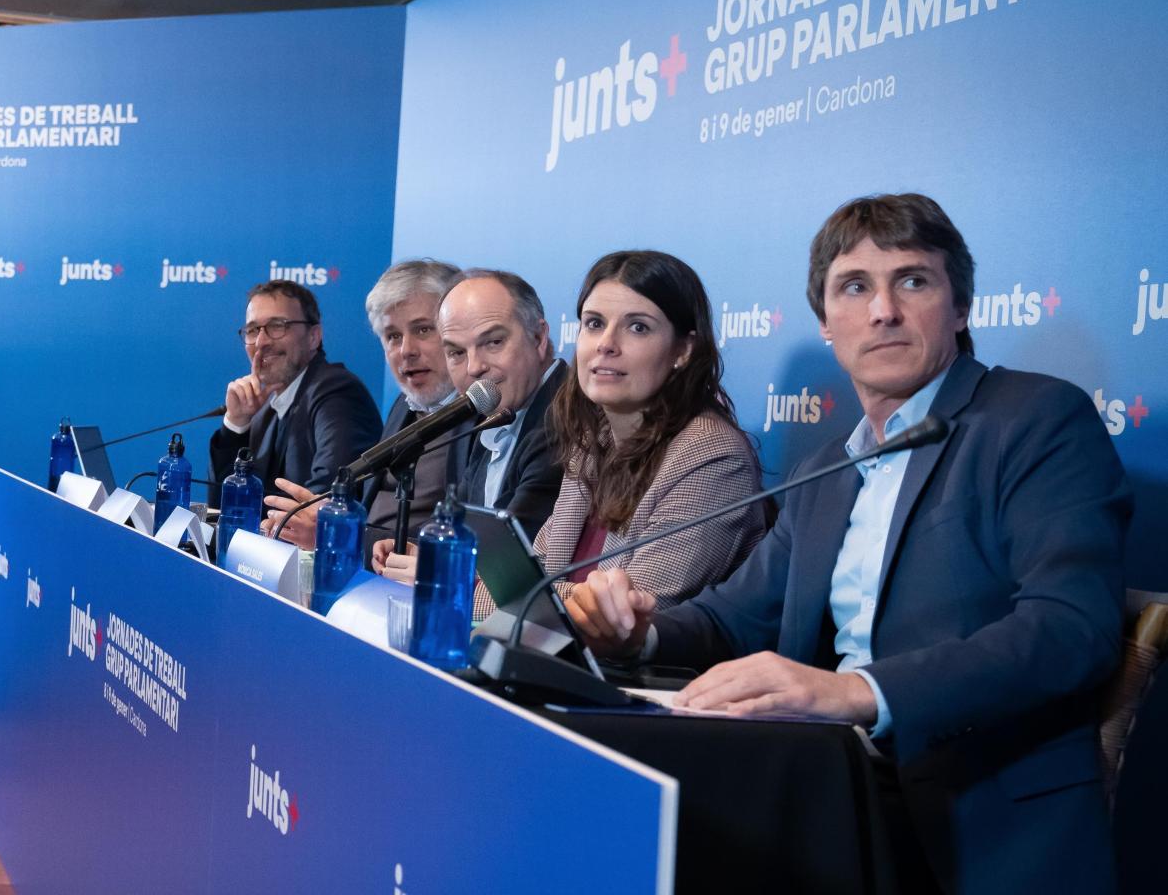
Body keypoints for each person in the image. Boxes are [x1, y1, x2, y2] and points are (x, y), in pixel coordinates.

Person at [569, 194, 1130, 893]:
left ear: (961, 310)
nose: (883, 310)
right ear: (827, 325)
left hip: (975, 818)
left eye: (914, 281)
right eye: (855, 287)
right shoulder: (824, 469)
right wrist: (637, 634)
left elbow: (1071, 627)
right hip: (826, 795)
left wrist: (858, 692)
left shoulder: (1035, 420)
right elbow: (733, 616)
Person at [521, 250, 765, 619]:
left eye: (638, 327)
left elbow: (624, 614)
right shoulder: (593, 444)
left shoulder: (713, 458)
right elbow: (529, 577)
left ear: (684, 350)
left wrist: (494, 595)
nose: (606, 343)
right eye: (594, 323)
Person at [373, 269, 566, 583]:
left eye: (493, 342)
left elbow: (511, 568)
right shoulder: (494, 408)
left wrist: (439, 571)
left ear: (538, 337)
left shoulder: (564, 418)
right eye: (457, 353)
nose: (475, 367)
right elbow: (462, 532)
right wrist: (422, 554)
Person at [265, 259, 462, 550]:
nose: (406, 350)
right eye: (393, 336)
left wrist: (338, 536)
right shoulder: (404, 406)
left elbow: (454, 549)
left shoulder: (481, 419)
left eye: (422, 330)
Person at [209, 279, 380, 509]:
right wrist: (236, 425)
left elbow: (323, 502)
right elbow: (223, 508)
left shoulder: (337, 391)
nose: (261, 342)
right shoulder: (265, 412)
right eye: (252, 330)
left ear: (313, 337)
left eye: (277, 326)